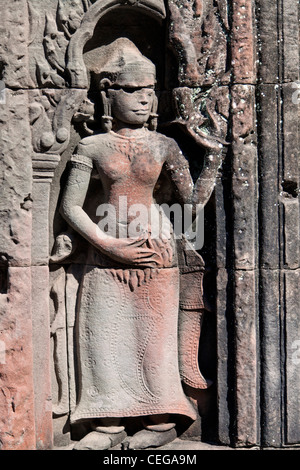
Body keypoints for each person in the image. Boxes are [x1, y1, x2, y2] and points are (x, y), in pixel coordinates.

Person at [59, 38, 219, 450]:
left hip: (156, 250)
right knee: (102, 336)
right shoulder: (91, 146)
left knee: (155, 339)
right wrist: (109, 245)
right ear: (108, 93)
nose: (145, 100)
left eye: (150, 91)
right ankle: (108, 423)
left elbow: (192, 204)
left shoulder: (164, 145)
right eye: (133, 91)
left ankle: (162, 418)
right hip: (106, 246)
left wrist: (214, 159)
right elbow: (70, 207)